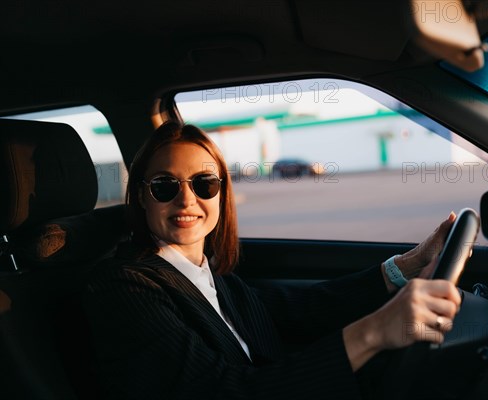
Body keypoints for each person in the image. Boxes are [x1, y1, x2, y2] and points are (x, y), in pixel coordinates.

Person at [84, 122, 461, 400]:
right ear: (142, 196)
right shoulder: (124, 288)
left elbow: (302, 308)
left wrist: (405, 267)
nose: (186, 201)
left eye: (204, 184)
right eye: (165, 185)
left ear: (220, 195)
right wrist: (374, 332)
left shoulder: (209, 277)